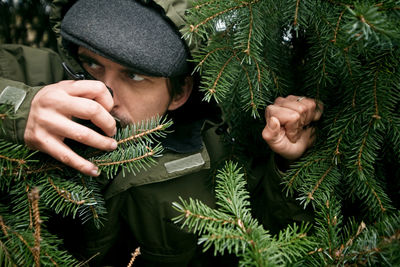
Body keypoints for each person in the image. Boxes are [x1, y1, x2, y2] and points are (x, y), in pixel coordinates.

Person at [0, 0, 322, 266]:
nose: (103, 93)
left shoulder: (221, 156)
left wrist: (286, 167)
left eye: (135, 75)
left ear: (179, 92)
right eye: (93, 64)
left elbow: (274, 243)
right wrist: (21, 107)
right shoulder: (40, 75)